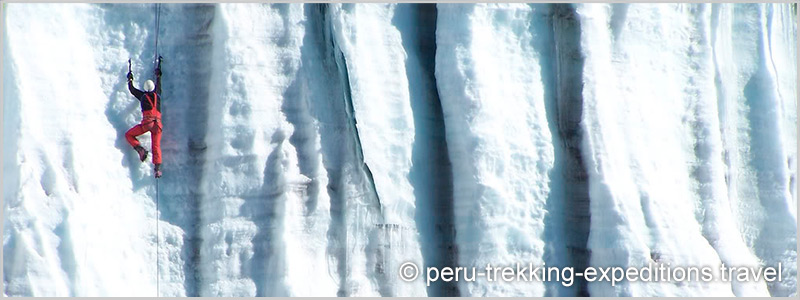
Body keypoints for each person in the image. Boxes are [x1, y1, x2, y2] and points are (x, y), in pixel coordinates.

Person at [126, 56, 163, 178]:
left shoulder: (142, 96)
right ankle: (157, 169)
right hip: (157, 124)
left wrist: (130, 78)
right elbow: (158, 83)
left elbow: (132, 89)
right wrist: (158, 73)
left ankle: (139, 149)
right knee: (156, 146)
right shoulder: (157, 94)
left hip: (147, 123)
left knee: (129, 135)